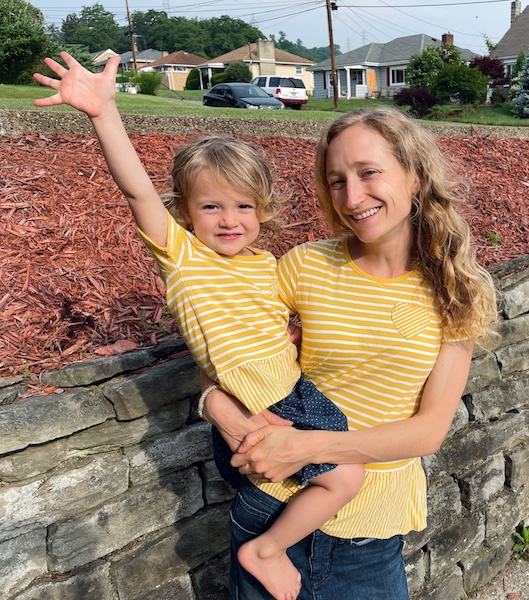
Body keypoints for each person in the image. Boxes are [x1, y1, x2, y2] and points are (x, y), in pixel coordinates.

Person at [32, 52, 365, 600]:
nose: (229, 220)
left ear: (262, 210)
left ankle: (278, 545)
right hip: (262, 403)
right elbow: (137, 190)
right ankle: (266, 551)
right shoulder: (184, 257)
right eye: (211, 207)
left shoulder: (266, 264)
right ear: (186, 213)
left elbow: (273, 323)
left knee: (345, 470)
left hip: (294, 393)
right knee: (346, 477)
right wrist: (103, 114)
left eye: (243, 206)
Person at [202, 106, 498, 599]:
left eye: (369, 173)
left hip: (367, 539)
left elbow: (428, 431)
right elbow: (223, 349)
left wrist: (306, 447)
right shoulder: (305, 266)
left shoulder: (456, 290)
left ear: (416, 177)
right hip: (269, 510)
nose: (352, 197)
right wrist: (219, 409)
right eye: (337, 181)